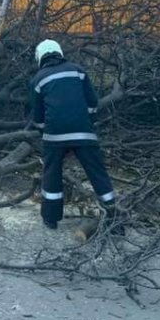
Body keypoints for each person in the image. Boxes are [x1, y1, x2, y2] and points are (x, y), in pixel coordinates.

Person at [28, 39, 119, 231]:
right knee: (97, 173)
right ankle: (115, 216)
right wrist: (87, 123)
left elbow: (37, 117)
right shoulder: (78, 70)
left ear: (40, 57)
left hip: (53, 136)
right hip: (84, 133)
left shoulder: (38, 79)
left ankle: (50, 219)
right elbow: (93, 102)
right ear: (59, 52)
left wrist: (46, 133)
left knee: (51, 174)